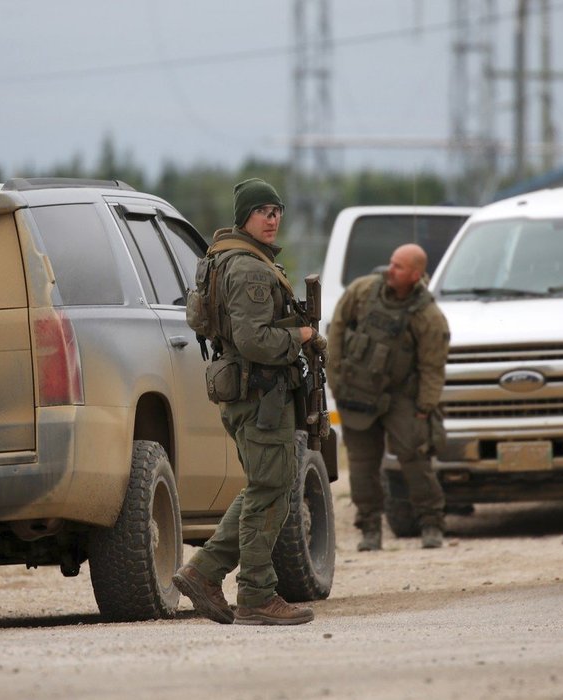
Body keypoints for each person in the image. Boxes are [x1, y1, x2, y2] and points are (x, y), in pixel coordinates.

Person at [173, 178, 319, 626]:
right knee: (269, 490)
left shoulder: (224, 259)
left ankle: (204, 572)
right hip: (262, 394)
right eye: (263, 212)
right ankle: (255, 594)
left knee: (266, 486)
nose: (272, 219)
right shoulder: (251, 269)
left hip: (248, 392)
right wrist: (302, 335)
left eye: (277, 211)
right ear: (245, 218)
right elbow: (253, 339)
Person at [327, 243, 450, 551]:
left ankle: (431, 522)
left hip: (401, 396)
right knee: (361, 464)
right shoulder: (363, 291)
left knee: (414, 456)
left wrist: (425, 408)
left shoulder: (428, 315)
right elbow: (337, 332)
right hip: (357, 391)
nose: (389, 269)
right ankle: (369, 527)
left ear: (416, 274)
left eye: (398, 266)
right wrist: (336, 381)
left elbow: (432, 366)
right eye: (391, 262)